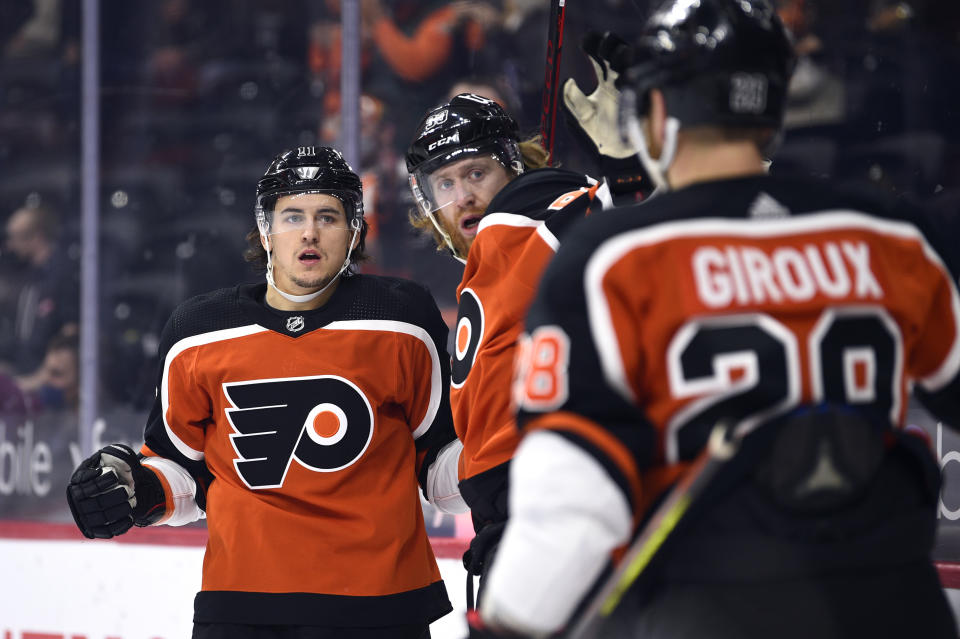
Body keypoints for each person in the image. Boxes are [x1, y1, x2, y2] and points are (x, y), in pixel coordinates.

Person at [475, 0, 960, 637]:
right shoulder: (888, 233)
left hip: (715, 608)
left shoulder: (612, 259)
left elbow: (576, 496)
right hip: (895, 601)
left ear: (653, 114)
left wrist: (510, 623)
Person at [66, 146, 467, 639]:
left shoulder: (402, 319)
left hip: (381, 610)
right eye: (292, 215)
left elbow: (438, 465)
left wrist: (504, 455)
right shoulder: (199, 330)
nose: (309, 232)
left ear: (355, 230)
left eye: (328, 216)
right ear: (265, 230)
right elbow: (183, 469)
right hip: (240, 612)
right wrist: (133, 489)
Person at [405, 91, 648, 603]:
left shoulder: (523, 215)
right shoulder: (494, 263)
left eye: (476, 173)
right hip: (511, 523)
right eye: (444, 183)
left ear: (513, 169)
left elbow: (615, 217)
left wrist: (631, 168)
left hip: (554, 511)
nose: (463, 195)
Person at [0, 200, 78, 375]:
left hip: (48, 378)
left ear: (36, 237)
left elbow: (71, 329)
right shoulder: (28, 276)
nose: (10, 245)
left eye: (16, 237)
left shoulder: (62, 275)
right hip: (23, 368)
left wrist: (43, 376)